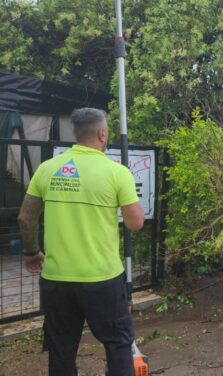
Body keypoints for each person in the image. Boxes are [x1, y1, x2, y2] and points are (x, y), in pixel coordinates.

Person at [18, 108, 144, 376]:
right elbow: (135, 223)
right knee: (118, 344)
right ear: (102, 133)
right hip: (103, 278)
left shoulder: (47, 169)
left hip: (56, 279)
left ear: (75, 133)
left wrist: (31, 253)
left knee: (61, 347)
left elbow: (26, 218)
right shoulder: (116, 172)